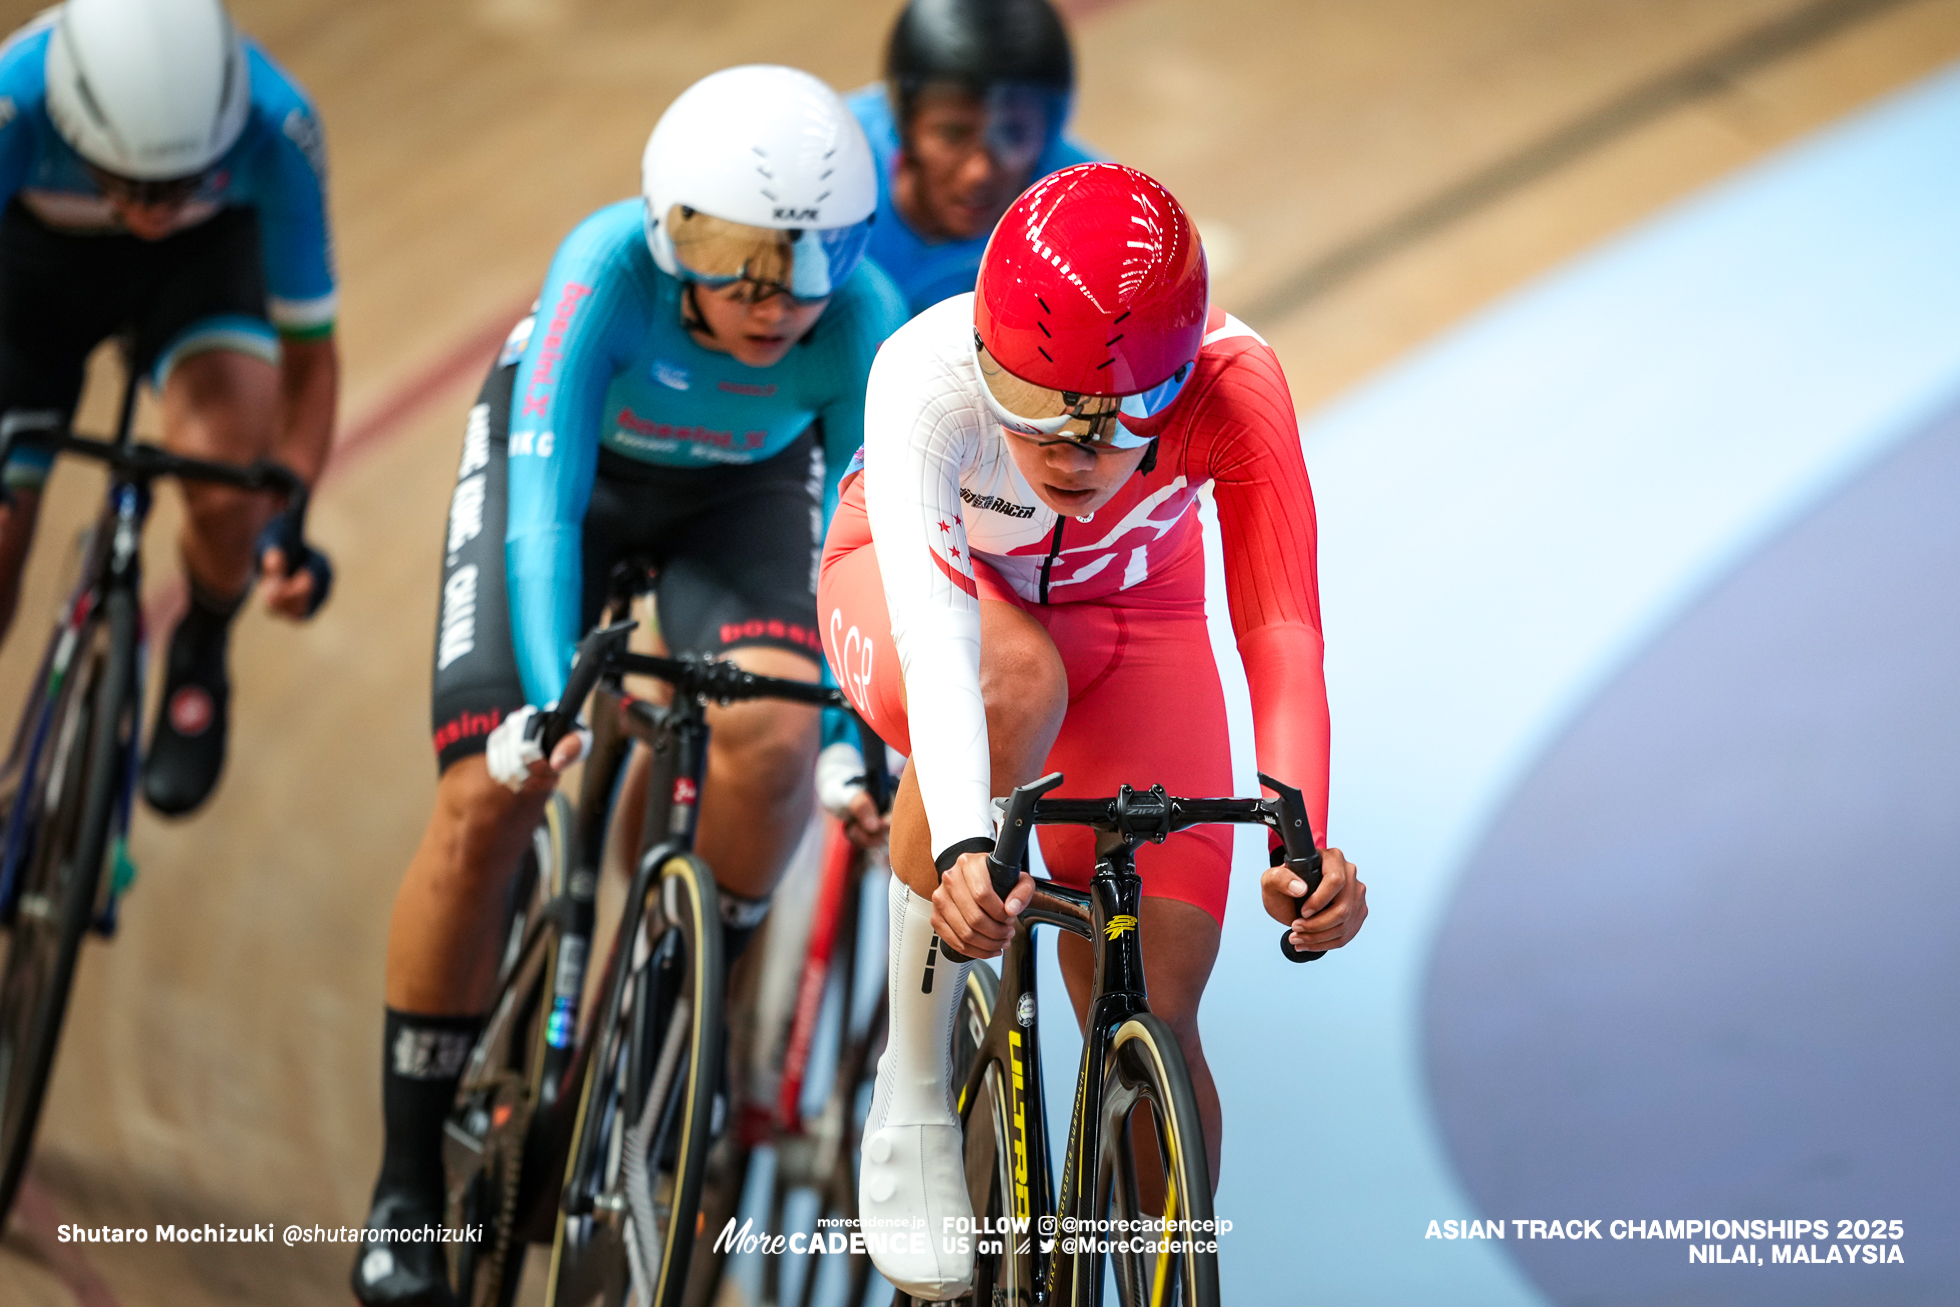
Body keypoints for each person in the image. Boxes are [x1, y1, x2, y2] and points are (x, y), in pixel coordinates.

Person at [352, 66, 907, 1306]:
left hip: (740, 500)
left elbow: (861, 555)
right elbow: (539, 507)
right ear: (671, 241)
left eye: (813, 264)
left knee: (771, 728)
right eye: (745, 268)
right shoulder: (604, 272)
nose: (781, 303)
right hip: (577, 480)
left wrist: (858, 739)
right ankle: (402, 1183)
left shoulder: (860, 321)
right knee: (484, 796)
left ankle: (689, 1009)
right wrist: (548, 704)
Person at [820, 163, 1369, 1298]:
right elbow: (941, 644)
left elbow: (1279, 629)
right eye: (1035, 416)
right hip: (928, 592)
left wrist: (1301, 840)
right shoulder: (923, 371)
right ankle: (913, 1090)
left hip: (1134, 626)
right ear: (986, 364)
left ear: (1177, 384)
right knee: (1009, 678)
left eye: (1120, 426)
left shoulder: (1237, 380)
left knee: (1159, 1000)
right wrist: (968, 843)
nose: (1073, 456)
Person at [0, 0, 337, 816]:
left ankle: (202, 642)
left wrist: (286, 512)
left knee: (229, 485)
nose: (153, 208)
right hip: (31, 269)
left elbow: (310, 356)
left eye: (178, 182)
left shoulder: (276, 123)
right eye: (129, 184)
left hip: (202, 267)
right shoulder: (14, 101)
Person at [847, 0, 1098, 317]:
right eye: (952, 134)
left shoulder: (1085, 211)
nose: (978, 173)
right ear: (905, 126)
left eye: (1012, 135)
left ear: (1048, 136)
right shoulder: (827, 167)